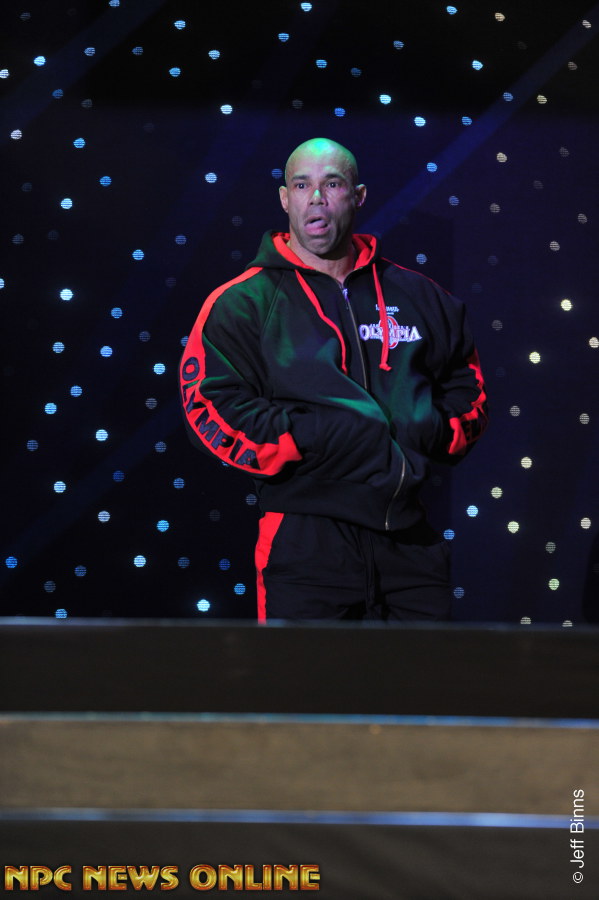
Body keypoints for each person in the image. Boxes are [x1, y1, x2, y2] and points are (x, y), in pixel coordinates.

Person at [179, 138, 487, 621]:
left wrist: (426, 428)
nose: (317, 198)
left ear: (357, 196)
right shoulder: (243, 301)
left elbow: (467, 386)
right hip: (305, 542)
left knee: (430, 673)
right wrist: (311, 437)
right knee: (305, 675)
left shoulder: (420, 295)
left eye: (332, 184)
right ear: (285, 200)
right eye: (302, 186)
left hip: (411, 541)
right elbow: (210, 404)